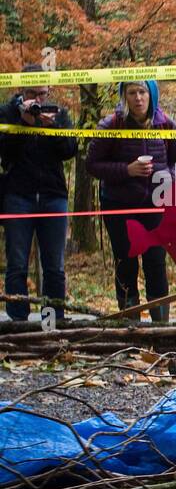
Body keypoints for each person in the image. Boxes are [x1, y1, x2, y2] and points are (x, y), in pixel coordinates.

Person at [86, 81, 176, 320]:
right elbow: (92, 164)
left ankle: (160, 325)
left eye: (143, 92)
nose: (138, 98)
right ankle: (129, 322)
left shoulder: (166, 125)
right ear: (124, 96)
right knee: (125, 260)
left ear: (152, 95)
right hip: (119, 204)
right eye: (132, 93)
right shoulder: (111, 124)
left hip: (156, 204)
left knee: (155, 262)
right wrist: (126, 170)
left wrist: (165, 176)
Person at [1, 66, 77, 323]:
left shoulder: (58, 113)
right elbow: (5, 154)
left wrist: (51, 127)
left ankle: (51, 322)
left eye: (43, 94)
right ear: (21, 90)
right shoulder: (6, 113)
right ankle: (18, 322)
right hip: (17, 195)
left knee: (54, 266)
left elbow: (70, 150)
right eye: (33, 93)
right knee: (17, 263)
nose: (39, 100)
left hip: (53, 195)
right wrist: (24, 124)